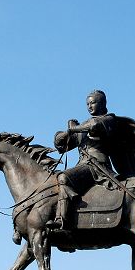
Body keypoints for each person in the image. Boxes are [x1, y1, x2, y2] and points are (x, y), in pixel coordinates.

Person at [47, 90, 117, 230]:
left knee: (63, 177)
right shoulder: (82, 127)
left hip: (97, 166)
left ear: (102, 103)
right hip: (84, 165)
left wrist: (73, 129)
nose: (89, 107)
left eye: (93, 103)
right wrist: (67, 132)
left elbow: (94, 125)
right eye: (87, 104)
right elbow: (60, 145)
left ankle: (62, 220)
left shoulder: (109, 119)